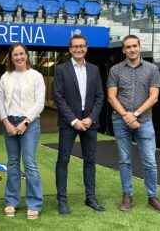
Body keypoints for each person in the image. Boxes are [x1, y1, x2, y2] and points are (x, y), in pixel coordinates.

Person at [106, 34, 160, 215]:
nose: (132, 49)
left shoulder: (152, 69)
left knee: (150, 161)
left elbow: (154, 97)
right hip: (120, 121)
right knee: (125, 161)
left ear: (140, 47)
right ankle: (127, 195)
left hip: (144, 121)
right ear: (123, 50)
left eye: (134, 46)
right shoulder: (115, 70)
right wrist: (126, 116)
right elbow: (112, 97)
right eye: (128, 47)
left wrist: (134, 115)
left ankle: (153, 197)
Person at [54, 33, 105, 215]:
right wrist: (74, 120)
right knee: (63, 160)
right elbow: (58, 97)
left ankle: (90, 198)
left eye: (82, 46)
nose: (78, 49)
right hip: (69, 123)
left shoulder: (94, 69)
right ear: (70, 49)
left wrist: (90, 118)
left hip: (90, 122)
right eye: (75, 46)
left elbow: (100, 96)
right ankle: (61, 200)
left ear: (86, 48)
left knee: (90, 161)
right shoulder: (61, 69)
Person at [0, 43, 46, 220]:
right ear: (10, 57)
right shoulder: (5, 77)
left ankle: (34, 203)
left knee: (30, 163)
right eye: (15, 55)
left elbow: (39, 103)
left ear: (27, 55)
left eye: (21, 54)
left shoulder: (36, 76)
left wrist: (25, 122)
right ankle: (11, 201)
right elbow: (0, 101)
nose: (18, 57)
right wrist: (6, 122)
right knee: (12, 163)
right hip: (9, 121)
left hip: (30, 123)